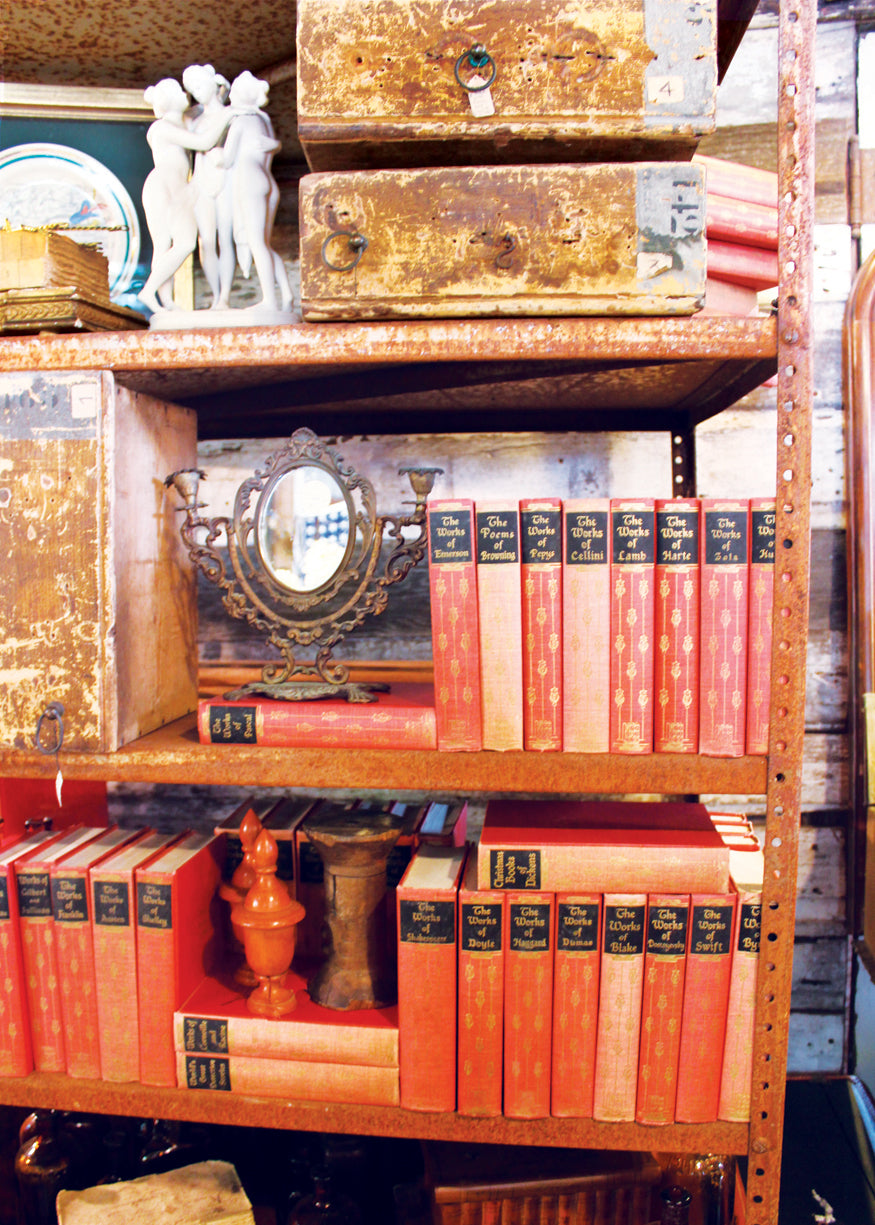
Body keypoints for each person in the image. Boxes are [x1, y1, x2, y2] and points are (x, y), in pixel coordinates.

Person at [139, 77, 231, 313]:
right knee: (183, 242)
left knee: (168, 244)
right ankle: (150, 292)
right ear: (170, 100)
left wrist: (222, 94)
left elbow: (205, 108)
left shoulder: (182, 121)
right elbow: (204, 142)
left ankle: (165, 301)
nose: (186, 94)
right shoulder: (161, 128)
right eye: (180, 92)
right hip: (164, 186)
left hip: (177, 187)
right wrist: (230, 113)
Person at [223, 70, 293, 313]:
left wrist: (210, 154)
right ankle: (286, 294)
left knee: (256, 243)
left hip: (249, 178)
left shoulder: (241, 121)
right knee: (265, 243)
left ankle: (269, 301)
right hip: (267, 180)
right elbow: (273, 146)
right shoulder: (264, 120)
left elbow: (227, 158)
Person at [181, 63, 235, 309]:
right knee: (206, 241)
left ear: (213, 83)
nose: (198, 92)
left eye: (200, 85)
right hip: (202, 181)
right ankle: (215, 295)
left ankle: (225, 297)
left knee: (225, 239)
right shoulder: (195, 120)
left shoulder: (232, 114)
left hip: (224, 179)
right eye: (193, 89)